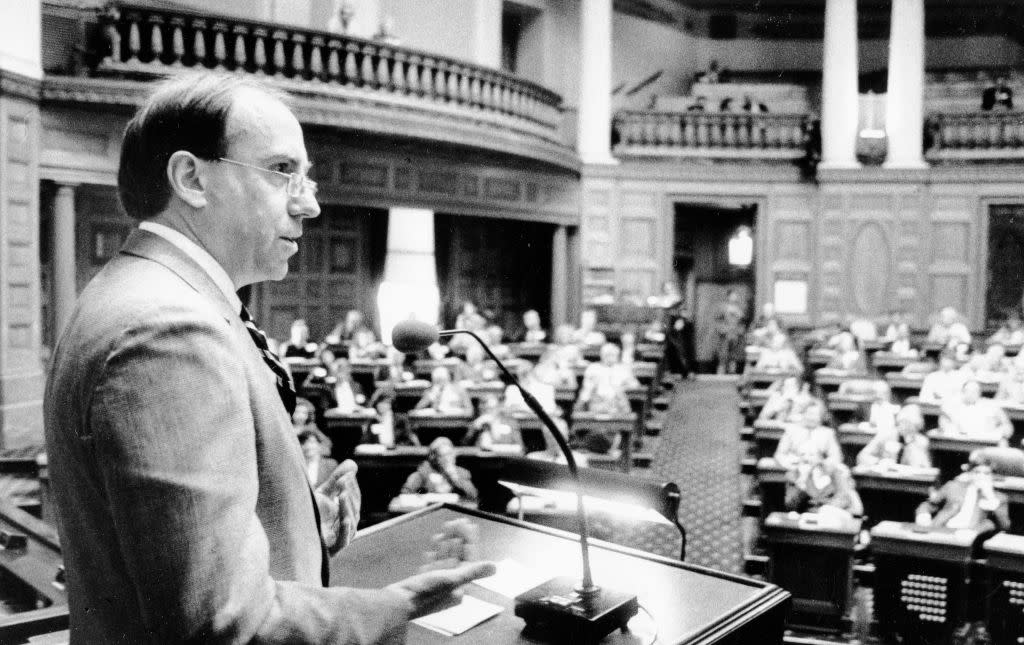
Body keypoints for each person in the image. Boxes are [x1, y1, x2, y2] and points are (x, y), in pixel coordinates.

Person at [43, 73, 493, 643]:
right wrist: (394, 605)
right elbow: (226, 622)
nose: (309, 203)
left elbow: (162, 549)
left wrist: (300, 520)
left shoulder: (153, 293)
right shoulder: (168, 330)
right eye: (283, 172)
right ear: (191, 178)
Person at [915, 451, 1009, 534]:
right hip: (942, 530)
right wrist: (923, 514)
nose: (981, 476)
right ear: (970, 474)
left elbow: (1004, 526)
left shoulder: (999, 498)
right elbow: (928, 505)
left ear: (992, 476)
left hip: (968, 536)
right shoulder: (953, 486)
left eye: (986, 473)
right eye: (977, 472)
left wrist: (990, 497)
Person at [784, 442, 863, 521]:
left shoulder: (834, 472)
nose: (806, 458)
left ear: (820, 457)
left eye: (811, 455)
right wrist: (802, 483)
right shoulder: (793, 475)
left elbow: (843, 497)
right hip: (807, 518)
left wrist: (825, 510)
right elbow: (790, 505)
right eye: (802, 455)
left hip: (832, 515)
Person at [400, 437, 479, 504]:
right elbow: (405, 493)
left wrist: (455, 478)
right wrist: (422, 498)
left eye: (450, 454)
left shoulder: (462, 473)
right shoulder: (424, 472)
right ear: (434, 458)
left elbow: (473, 496)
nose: (448, 459)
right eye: (443, 455)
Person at [857, 404, 932, 469]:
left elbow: (926, 468)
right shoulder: (886, 435)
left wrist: (913, 448)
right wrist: (879, 462)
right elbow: (862, 456)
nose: (906, 428)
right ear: (899, 421)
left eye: (912, 426)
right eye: (904, 423)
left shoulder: (922, 442)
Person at [575, 343, 639, 416]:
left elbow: (635, 385)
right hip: (598, 402)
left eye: (613, 355)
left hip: (617, 403)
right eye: (607, 354)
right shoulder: (593, 368)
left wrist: (623, 387)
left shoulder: (623, 369)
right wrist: (581, 402)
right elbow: (587, 389)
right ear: (602, 355)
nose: (610, 357)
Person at [774, 401, 842, 469]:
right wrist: (793, 463)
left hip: (819, 468)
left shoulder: (828, 433)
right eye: (810, 414)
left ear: (821, 417)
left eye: (816, 415)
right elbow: (780, 454)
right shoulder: (791, 430)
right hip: (795, 467)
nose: (812, 418)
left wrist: (822, 463)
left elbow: (836, 456)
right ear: (803, 414)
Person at [939, 379, 1012, 442]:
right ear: (962, 392)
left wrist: (998, 433)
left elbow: (1007, 426)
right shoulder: (953, 406)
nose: (970, 394)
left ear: (979, 393)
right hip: (960, 441)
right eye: (967, 391)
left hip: (985, 441)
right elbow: (943, 424)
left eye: (974, 391)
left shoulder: (991, 406)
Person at [714, 289, 747, 374]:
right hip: (725, 334)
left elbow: (742, 322)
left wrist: (740, 331)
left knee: (734, 355)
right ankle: (720, 374)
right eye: (732, 296)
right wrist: (722, 329)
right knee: (723, 355)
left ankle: (732, 372)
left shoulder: (739, 308)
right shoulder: (722, 307)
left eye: (735, 296)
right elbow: (717, 320)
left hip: (735, 335)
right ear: (728, 297)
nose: (734, 297)